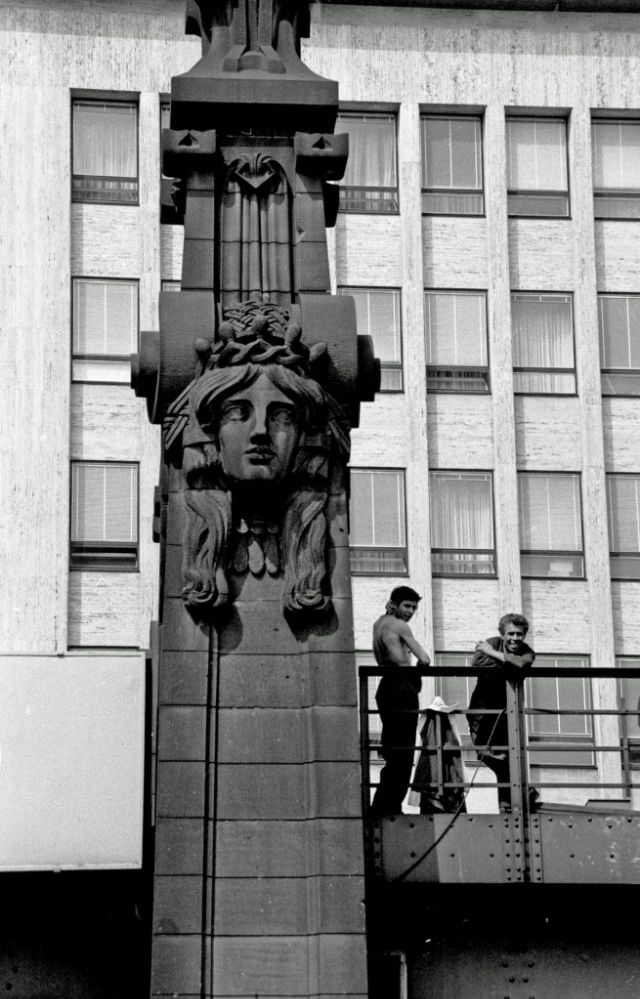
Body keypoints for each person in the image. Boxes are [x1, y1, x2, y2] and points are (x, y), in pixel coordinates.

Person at [369, 586, 432, 818]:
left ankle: (382, 805)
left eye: (414, 607)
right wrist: (418, 667)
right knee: (403, 755)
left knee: (394, 751)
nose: (411, 611)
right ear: (394, 604)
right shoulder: (399, 626)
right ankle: (390, 807)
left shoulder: (379, 623)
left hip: (386, 687)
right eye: (407, 606)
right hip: (401, 687)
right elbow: (424, 657)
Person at [467, 613, 536, 813]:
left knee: (508, 758)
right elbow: (478, 664)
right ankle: (520, 796)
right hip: (481, 714)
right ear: (502, 634)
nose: (515, 638)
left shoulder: (527, 652)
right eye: (511, 634)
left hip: (507, 715)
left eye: (519, 634)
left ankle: (508, 804)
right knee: (486, 754)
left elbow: (522, 664)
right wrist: (508, 663)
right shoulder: (491, 642)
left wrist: (495, 655)